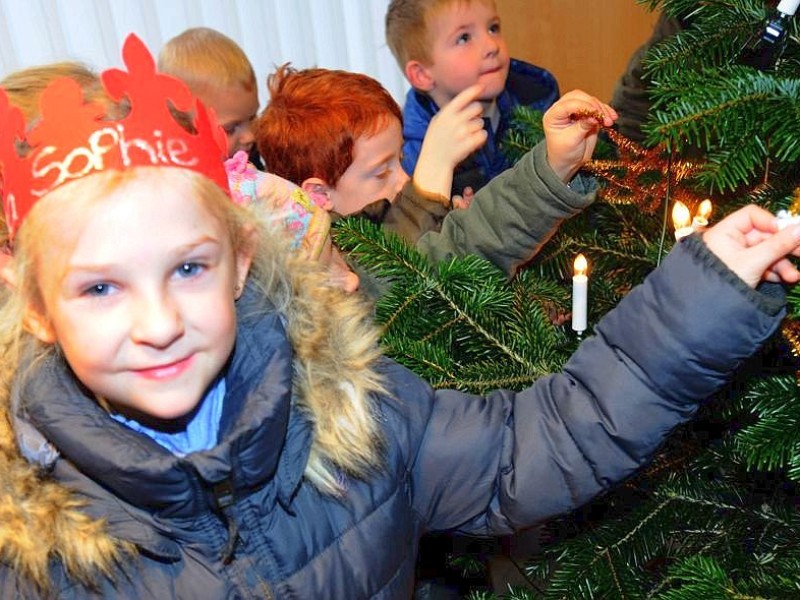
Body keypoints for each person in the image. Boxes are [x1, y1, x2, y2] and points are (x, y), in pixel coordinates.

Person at [2, 34, 799, 599]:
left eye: (187, 268)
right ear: (35, 305)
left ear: (241, 259)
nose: (158, 322)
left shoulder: (353, 410)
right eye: (99, 288)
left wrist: (707, 289)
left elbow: (540, 441)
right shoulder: (23, 551)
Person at [255, 65, 601, 289]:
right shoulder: (333, 274)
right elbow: (417, 273)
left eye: (400, 161)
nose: (402, 180)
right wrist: (428, 192)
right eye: (380, 173)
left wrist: (449, 217)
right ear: (318, 193)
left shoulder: (380, 216)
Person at [385, 0, 559, 197]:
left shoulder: (537, 100)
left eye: (493, 28)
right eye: (464, 38)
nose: (492, 46)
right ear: (422, 75)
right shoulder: (412, 156)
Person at [158, 27, 260, 160]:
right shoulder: (183, 177)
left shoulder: (252, 155)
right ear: (184, 128)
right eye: (230, 129)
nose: (250, 136)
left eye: (253, 118)